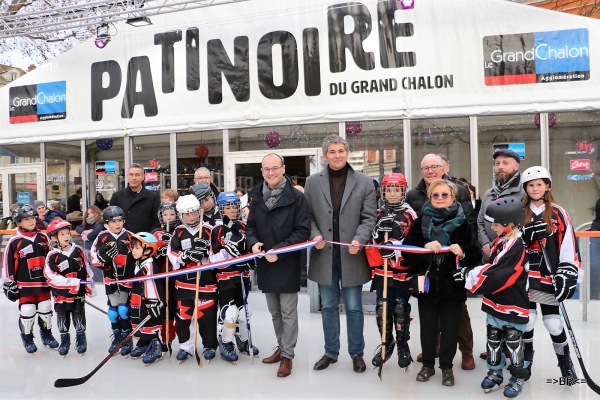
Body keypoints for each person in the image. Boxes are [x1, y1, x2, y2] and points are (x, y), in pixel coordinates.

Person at [304, 135, 376, 374]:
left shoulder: (365, 182)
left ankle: (357, 353)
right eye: (332, 152)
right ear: (325, 156)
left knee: (355, 307)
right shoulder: (312, 183)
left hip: (352, 254)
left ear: (347, 153)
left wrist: (360, 238)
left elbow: (368, 218)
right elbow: (308, 217)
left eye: (341, 151)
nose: (337, 155)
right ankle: (330, 352)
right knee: (329, 307)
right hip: (324, 254)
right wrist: (314, 235)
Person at [402, 179, 480, 386]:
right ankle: (427, 364)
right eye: (435, 195)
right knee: (427, 328)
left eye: (445, 195)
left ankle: (447, 367)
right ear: (429, 198)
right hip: (426, 287)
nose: (440, 199)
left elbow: (475, 254)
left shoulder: (462, 223)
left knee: (450, 329)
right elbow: (407, 252)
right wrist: (424, 247)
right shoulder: (420, 222)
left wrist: (462, 251)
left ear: (453, 198)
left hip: (452, 287)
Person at [454, 198, 530, 398]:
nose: (492, 228)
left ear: (510, 224)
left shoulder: (516, 246)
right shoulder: (501, 241)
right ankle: (495, 371)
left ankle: (517, 376)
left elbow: (500, 273)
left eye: (495, 224)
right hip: (496, 302)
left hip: (513, 302)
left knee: (513, 340)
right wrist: (468, 271)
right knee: (494, 338)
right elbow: (491, 266)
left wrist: (469, 275)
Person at [246, 153, 311, 378]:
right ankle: (281, 347)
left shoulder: (297, 198)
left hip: (287, 263)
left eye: (275, 168)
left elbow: (302, 231)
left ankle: (288, 356)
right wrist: (253, 244)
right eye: (266, 169)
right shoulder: (256, 197)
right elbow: (250, 227)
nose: (271, 172)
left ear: (283, 169)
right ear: (262, 171)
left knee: (288, 313)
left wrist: (280, 251)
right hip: (265, 263)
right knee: (274, 313)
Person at [519, 166, 581, 384]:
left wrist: (567, 270)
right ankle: (525, 360)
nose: (535, 188)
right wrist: (523, 236)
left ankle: (565, 363)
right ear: (525, 188)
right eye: (530, 185)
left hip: (548, 277)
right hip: (524, 277)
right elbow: (507, 244)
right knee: (526, 322)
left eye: (539, 184)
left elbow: (568, 245)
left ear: (547, 186)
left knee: (553, 323)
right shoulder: (518, 211)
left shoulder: (558, 212)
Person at [364, 173, 417, 369]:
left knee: (400, 307)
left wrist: (395, 247)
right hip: (382, 271)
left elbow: (413, 243)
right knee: (382, 308)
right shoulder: (377, 213)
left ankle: (403, 345)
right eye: (389, 190)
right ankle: (386, 344)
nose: (393, 194)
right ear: (383, 192)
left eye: (397, 190)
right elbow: (370, 242)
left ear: (403, 191)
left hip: (401, 271)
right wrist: (378, 240)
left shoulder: (410, 214)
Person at [477, 149, 525, 360]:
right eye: (497, 163)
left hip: (511, 260)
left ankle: (512, 349)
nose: (500, 167)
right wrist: (486, 244)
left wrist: (505, 248)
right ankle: (494, 345)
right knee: (493, 304)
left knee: (511, 304)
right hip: (490, 255)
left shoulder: (524, 193)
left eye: (506, 163)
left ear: (516, 166)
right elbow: (480, 223)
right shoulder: (489, 193)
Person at [210, 192, 260, 363]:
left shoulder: (243, 226)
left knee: (244, 312)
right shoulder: (216, 229)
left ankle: (243, 341)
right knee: (229, 312)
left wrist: (250, 261)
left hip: (242, 276)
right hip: (225, 278)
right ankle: (226, 343)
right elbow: (212, 259)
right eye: (228, 207)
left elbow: (248, 250)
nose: (232, 211)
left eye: (234, 207)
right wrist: (226, 253)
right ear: (221, 208)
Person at [168, 194, 218, 364]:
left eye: (194, 212)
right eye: (187, 214)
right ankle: (186, 347)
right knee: (184, 316)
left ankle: (209, 345)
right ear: (181, 215)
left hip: (206, 282)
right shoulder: (178, 232)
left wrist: (207, 253)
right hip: (183, 284)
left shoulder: (209, 230)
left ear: (199, 211)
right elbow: (172, 253)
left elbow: (217, 255)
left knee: (207, 316)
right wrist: (186, 255)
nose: (191, 216)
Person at [2, 205, 59, 353]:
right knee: (28, 310)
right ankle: (27, 337)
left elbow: (51, 257)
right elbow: (7, 264)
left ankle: (47, 335)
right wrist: (8, 283)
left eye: (32, 218)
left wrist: (57, 276)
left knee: (45, 308)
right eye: (26, 219)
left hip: (43, 282)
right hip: (24, 283)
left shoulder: (43, 237)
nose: (31, 221)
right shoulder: (15, 241)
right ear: (18, 222)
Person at [44, 219, 97, 356]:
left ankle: (81, 339)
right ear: (54, 238)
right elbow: (51, 277)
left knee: (79, 315)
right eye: (62, 234)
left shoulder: (78, 250)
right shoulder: (52, 255)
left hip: (78, 294)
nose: (66, 236)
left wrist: (90, 287)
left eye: (67, 233)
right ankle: (64, 340)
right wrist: (70, 282)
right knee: (63, 317)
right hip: (61, 296)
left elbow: (87, 269)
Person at [90, 206, 136, 355]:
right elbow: (94, 257)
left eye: (120, 220)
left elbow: (140, 255)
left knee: (124, 309)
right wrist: (101, 259)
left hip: (127, 279)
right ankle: (116, 336)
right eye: (113, 221)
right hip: (110, 279)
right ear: (106, 224)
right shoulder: (102, 237)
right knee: (113, 312)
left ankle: (126, 338)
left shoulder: (130, 236)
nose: (117, 224)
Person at [128, 232, 167, 365]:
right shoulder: (138, 263)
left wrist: (154, 302)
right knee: (140, 322)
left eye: (137, 248)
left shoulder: (149, 266)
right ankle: (144, 341)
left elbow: (152, 285)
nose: (133, 251)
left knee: (150, 324)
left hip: (148, 301)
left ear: (148, 249)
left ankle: (156, 346)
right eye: (133, 247)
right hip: (137, 299)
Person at [152, 201, 180, 349]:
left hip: (178, 276)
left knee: (179, 308)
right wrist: (159, 251)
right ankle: (166, 338)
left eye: (172, 214)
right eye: (165, 215)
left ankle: (184, 339)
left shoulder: (181, 230)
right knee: (165, 308)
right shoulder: (156, 233)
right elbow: (150, 253)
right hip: (162, 277)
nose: (169, 217)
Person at [109, 163, 160, 233]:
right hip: (123, 239)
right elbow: (111, 220)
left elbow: (156, 222)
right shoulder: (117, 196)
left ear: (143, 177)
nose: (134, 178)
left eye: (137, 175)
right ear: (127, 176)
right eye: (131, 174)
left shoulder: (153, 197)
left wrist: (147, 237)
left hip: (145, 240)